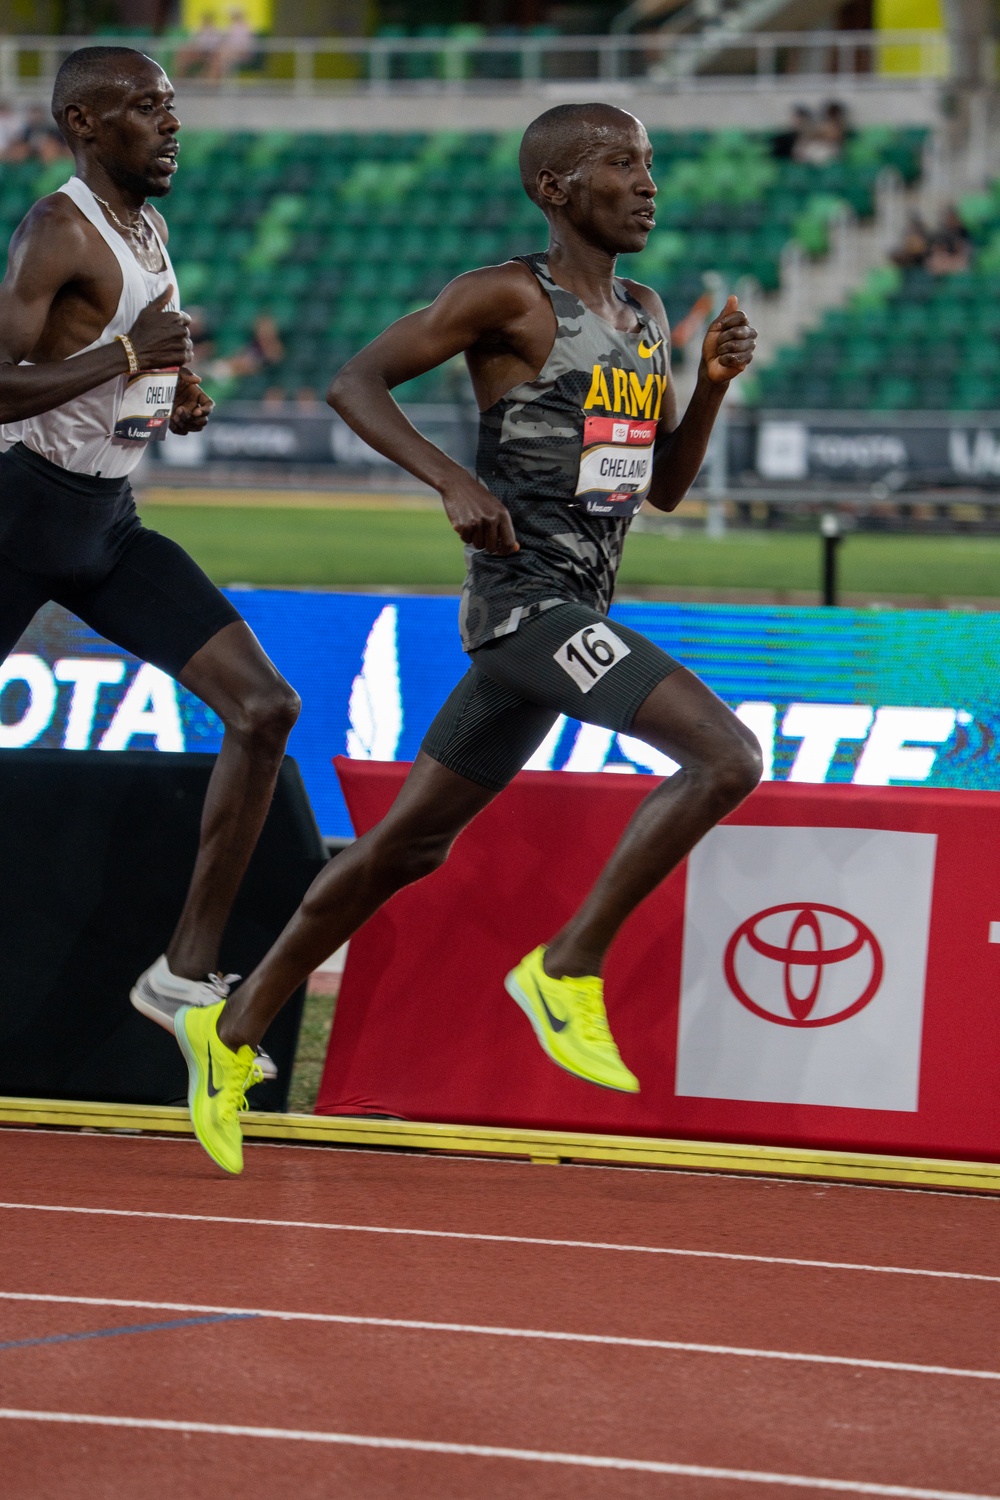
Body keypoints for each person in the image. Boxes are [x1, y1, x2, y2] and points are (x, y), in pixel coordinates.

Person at [174, 101, 759, 1175]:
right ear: (555, 189)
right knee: (727, 756)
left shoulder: (640, 309)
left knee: (408, 847)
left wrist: (712, 385)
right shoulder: (507, 296)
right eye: (621, 164)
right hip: (527, 606)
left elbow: (663, 488)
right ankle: (566, 970)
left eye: (650, 165)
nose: (647, 183)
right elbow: (353, 380)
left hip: (578, 610)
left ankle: (232, 1026)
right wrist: (451, 480)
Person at [0, 46, 300, 1078]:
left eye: (171, 106)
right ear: (84, 123)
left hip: (103, 525)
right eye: (143, 109)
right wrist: (128, 359)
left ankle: (183, 976)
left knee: (265, 708)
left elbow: (128, 355)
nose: (169, 124)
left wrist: (169, 390)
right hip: (14, 516)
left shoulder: (147, 224)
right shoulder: (57, 227)